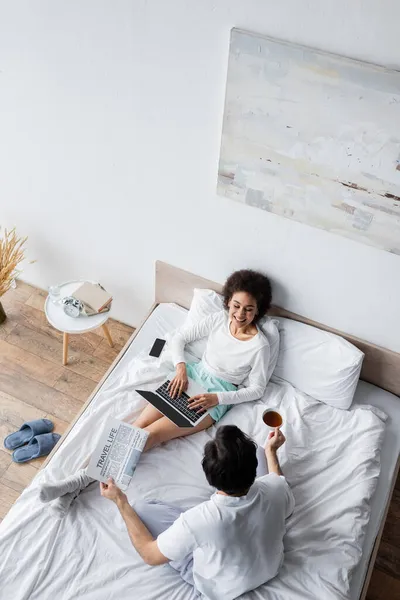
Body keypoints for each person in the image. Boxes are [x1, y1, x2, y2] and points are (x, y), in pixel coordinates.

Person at [39, 269, 272, 515]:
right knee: (131, 427)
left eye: (248, 309)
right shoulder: (218, 320)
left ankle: (74, 484)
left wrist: (218, 398)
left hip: (212, 399)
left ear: (258, 310)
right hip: (190, 378)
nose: (240, 314)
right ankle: (73, 489)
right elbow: (180, 338)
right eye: (236, 305)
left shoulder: (260, 346)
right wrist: (181, 367)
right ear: (228, 302)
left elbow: (257, 389)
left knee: (149, 436)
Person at [101, 425, 294, 600]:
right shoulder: (277, 487)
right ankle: (253, 461)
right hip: (270, 568)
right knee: (262, 452)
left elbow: (150, 555)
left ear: (210, 477)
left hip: (220, 588)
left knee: (142, 509)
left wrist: (120, 501)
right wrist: (271, 451)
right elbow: (277, 479)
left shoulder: (197, 521)